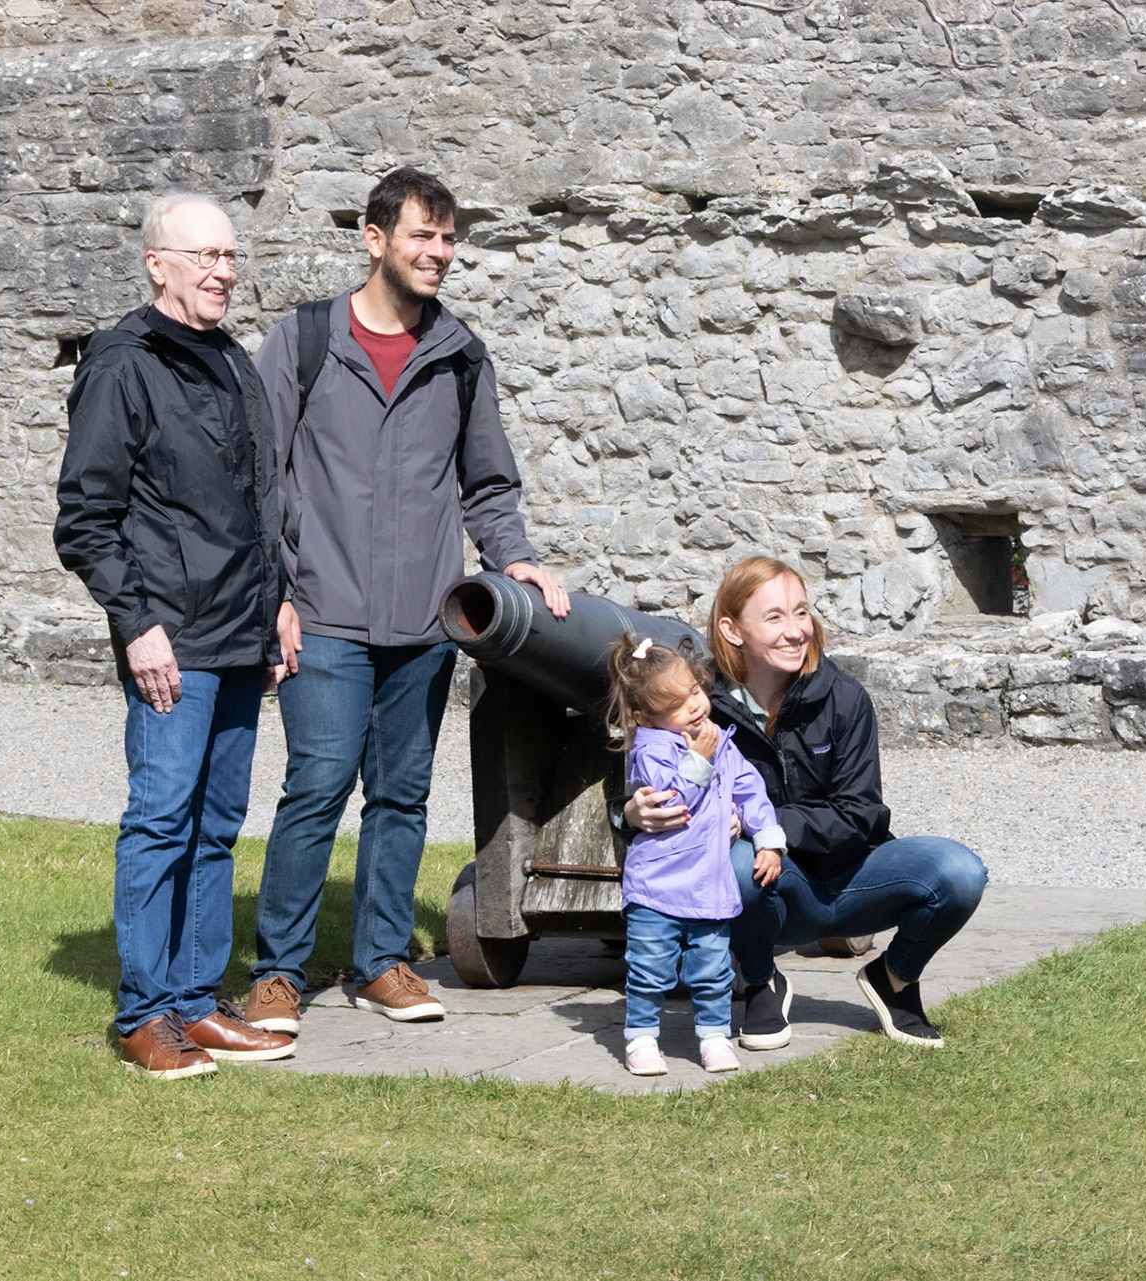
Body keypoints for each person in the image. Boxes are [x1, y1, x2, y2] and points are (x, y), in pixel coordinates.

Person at [243, 167, 569, 1035]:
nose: (440, 253)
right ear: (373, 236)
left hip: (425, 623)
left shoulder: (460, 354)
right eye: (424, 235)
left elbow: (489, 484)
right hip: (324, 613)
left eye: (449, 238)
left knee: (402, 794)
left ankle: (383, 960)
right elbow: (259, 480)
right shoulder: (304, 342)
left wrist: (517, 560)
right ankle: (278, 972)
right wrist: (274, 595)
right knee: (317, 785)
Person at [54, 192, 298, 1078]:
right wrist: (136, 624)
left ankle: (197, 1003)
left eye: (231, 256)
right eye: (205, 256)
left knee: (216, 825)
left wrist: (277, 603)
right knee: (160, 823)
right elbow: (86, 516)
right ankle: (143, 1013)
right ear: (158, 262)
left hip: (239, 633)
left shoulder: (232, 361)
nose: (223, 272)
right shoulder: (123, 363)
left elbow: (253, 502)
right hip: (172, 641)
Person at [624, 556, 987, 1051]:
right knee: (733, 862)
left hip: (854, 876)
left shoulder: (845, 697)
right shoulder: (693, 703)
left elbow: (861, 813)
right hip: (770, 889)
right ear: (731, 630)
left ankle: (895, 979)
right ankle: (759, 980)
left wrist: (764, 824)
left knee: (960, 872)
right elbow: (645, 777)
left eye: (801, 612)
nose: (797, 630)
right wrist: (629, 814)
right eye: (774, 617)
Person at [606, 635, 788, 1077]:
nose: (693, 706)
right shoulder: (650, 749)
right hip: (658, 887)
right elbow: (671, 801)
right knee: (649, 969)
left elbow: (750, 789)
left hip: (708, 884)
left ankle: (713, 1036)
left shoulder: (717, 740)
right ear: (644, 717)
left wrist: (768, 837)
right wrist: (699, 759)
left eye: (694, 692)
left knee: (712, 971)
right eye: (675, 704)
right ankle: (642, 1038)